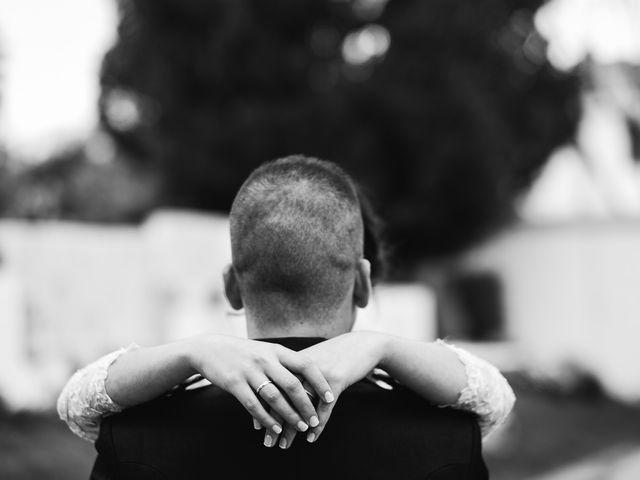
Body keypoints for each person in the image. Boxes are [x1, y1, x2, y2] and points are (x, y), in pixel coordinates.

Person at [58, 155, 514, 478]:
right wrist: (386, 346)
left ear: (232, 286)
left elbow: (75, 404)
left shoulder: (136, 436)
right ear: (362, 284)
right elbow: (496, 398)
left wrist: (193, 351)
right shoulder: (446, 439)